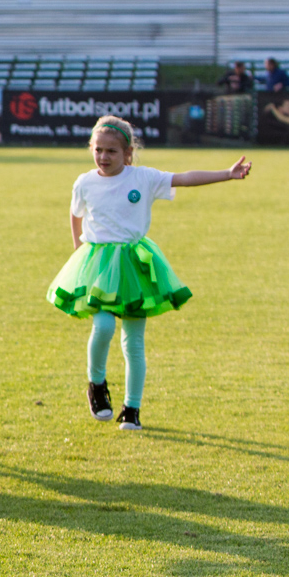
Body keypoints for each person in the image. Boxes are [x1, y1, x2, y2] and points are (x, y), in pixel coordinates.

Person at [47, 115, 250, 431]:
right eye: (98, 150)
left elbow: (184, 178)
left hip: (134, 265)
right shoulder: (84, 182)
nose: (103, 157)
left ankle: (132, 408)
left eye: (111, 151)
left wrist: (227, 174)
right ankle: (96, 385)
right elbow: (76, 214)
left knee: (134, 341)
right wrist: (78, 249)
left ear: (127, 153)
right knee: (102, 326)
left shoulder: (143, 179)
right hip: (99, 264)